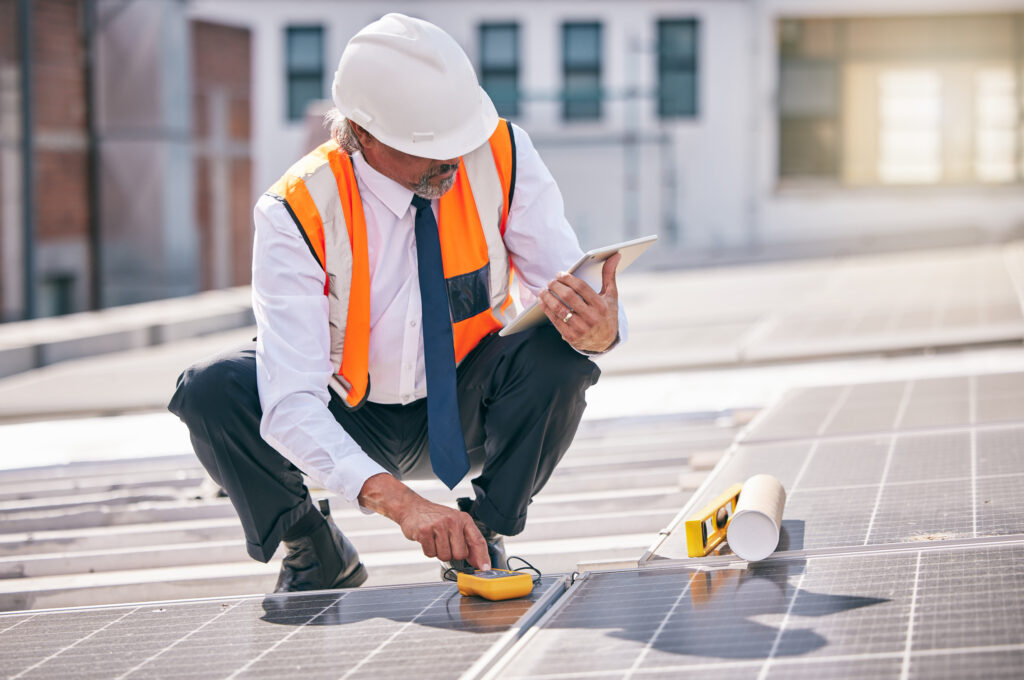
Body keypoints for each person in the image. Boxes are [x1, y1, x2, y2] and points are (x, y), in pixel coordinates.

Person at [169, 13, 626, 592]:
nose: (455, 161)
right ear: (361, 134)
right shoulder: (296, 210)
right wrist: (403, 505)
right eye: (431, 147)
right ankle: (313, 548)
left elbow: (565, 286)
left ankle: (480, 536)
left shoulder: (501, 154)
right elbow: (290, 401)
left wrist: (600, 330)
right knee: (212, 390)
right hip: (351, 412)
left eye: (462, 139)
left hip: (466, 408)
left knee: (557, 355)